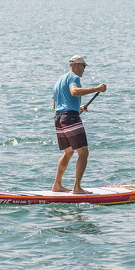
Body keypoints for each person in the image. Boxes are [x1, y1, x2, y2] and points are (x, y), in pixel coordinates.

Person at [52, 55, 107, 194]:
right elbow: (74, 91)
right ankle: (77, 188)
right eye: (83, 67)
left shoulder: (59, 80)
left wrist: (78, 107)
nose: (84, 70)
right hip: (70, 118)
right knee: (83, 153)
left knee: (68, 152)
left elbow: (56, 104)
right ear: (77, 66)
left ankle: (57, 185)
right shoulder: (74, 78)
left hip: (58, 118)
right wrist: (97, 89)